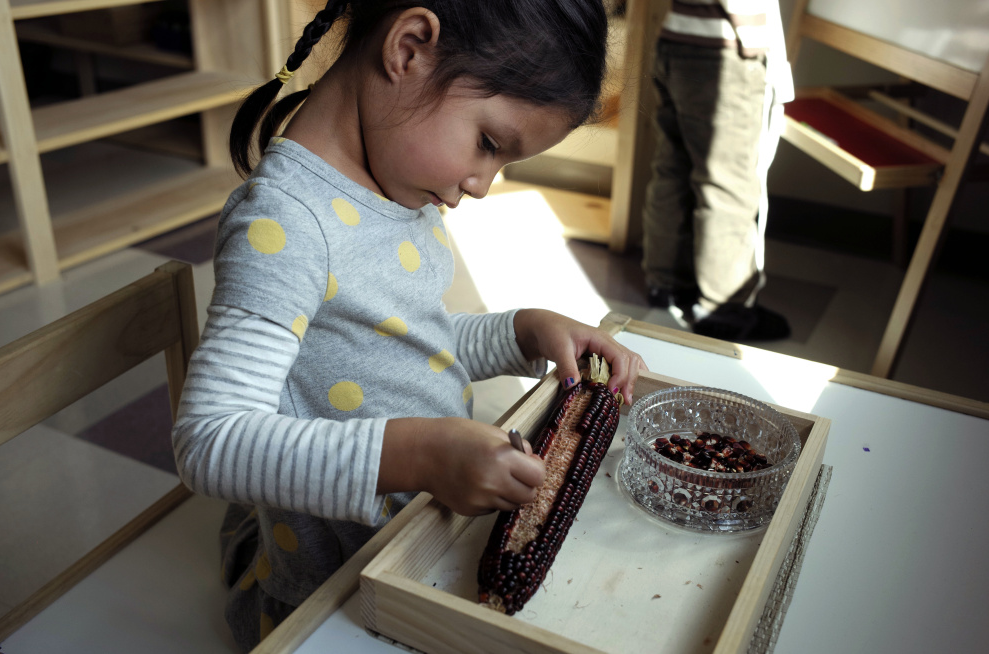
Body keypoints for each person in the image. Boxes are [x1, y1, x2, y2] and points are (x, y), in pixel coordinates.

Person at [171, 1, 647, 650]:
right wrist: (418, 454)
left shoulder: (397, 184)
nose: (482, 184)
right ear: (409, 48)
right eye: (488, 143)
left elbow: (400, 346)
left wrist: (523, 331)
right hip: (335, 590)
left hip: (418, 536)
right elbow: (209, 442)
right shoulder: (283, 225)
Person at [641, 0, 794, 341]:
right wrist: (752, 34)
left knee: (673, 169)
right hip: (724, 45)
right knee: (727, 183)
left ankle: (664, 283)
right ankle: (723, 310)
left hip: (676, 36)